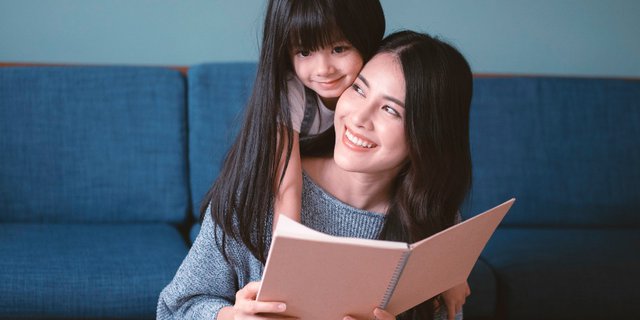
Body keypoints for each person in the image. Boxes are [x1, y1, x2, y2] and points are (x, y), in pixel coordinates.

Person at [157, 30, 473, 320]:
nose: (359, 117)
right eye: (359, 89)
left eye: (390, 110)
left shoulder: (436, 221)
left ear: (430, 136)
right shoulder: (257, 190)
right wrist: (228, 317)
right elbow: (174, 309)